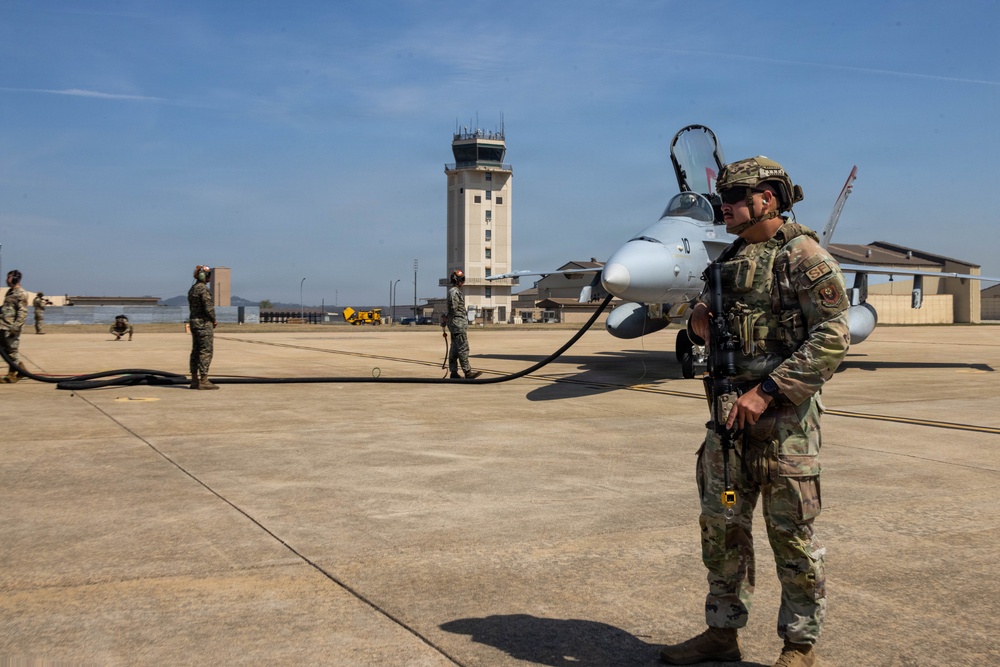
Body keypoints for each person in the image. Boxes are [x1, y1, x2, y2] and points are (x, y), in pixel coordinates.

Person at [659, 157, 850, 667]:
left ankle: (799, 645)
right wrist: (699, 316)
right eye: (723, 197)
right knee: (722, 529)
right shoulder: (730, 259)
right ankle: (722, 633)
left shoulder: (803, 257)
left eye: (734, 197)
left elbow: (834, 335)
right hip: (728, 421)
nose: (723, 206)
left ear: (767, 199)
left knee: (791, 537)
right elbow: (717, 320)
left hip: (783, 425)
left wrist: (767, 390)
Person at [441, 269, 482, 380]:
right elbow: (453, 309)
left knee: (454, 349)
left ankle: (454, 372)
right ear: (456, 280)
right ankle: (467, 372)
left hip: (455, 324)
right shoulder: (454, 292)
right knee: (463, 348)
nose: (463, 281)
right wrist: (448, 318)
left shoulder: (453, 291)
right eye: (462, 279)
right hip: (458, 325)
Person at [187, 265, 219, 390]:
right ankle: (204, 380)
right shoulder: (203, 289)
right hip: (204, 323)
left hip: (194, 323)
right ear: (203, 276)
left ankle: (194, 380)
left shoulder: (193, 289)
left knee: (195, 350)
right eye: (208, 275)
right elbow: (208, 307)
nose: (209, 277)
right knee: (205, 351)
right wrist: (213, 320)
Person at [1, 270, 29, 383]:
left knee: (12, 351)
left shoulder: (21, 293)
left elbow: (22, 312)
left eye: (8, 277)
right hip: (3, 325)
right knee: (5, 351)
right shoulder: (10, 292)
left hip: (11, 327)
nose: (6, 280)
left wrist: (16, 327)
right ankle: (20, 370)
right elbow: (7, 308)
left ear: (15, 279)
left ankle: (12, 374)